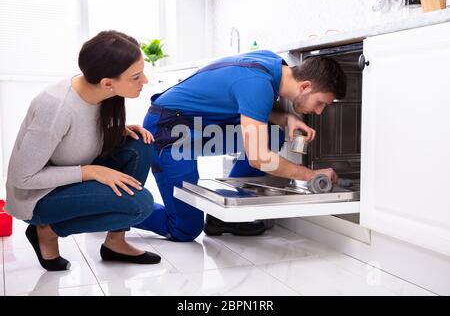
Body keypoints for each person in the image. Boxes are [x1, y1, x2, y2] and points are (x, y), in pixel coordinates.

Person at [133, 49, 347, 242]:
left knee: (272, 134)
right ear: (306, 86)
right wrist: (312, 175)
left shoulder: (273, 64)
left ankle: (226, 220)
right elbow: (259, 158)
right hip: (167, 132)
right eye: (320, 103)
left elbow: (246, 100)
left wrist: (284, 118)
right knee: (185, 229)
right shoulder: (257, 84)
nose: (319, 112)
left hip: (198, 126)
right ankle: (114, 209)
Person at [4, 30, 161, 272]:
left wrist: (117, 130)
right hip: (38, 197)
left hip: (74, 177)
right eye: (136, 76)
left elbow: (81, 130)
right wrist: (89, 171)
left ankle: (115, 243)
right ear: (108, 83)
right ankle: (47, 230)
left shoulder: (102, 91)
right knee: (140, 205)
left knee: (140, 145)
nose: (145, 81)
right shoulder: (55, 107)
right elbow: (21, 178)